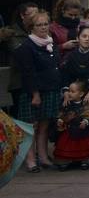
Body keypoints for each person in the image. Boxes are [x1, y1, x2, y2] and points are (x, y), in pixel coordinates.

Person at [13, 9, 59, 173]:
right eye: (39, 25)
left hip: (51, 89)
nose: (43, 27)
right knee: (31, 127)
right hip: (34, 92)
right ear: (31, 27)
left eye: (46, 24)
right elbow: (28, 72)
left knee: (45, 126)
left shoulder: (51, 42)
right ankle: (31, 160)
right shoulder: (26, 47)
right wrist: (35, 94)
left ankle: (44, 157)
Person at [53, 78, 89, 169]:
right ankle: (68, 160)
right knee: (68, 146)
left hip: (82, 130)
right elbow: (61, 113)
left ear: (81, 94)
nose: (69, 93)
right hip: (69, 129)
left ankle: (85, 160)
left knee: (84, 145)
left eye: (73, 91)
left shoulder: (85, 104)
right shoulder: (66, 103)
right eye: (69, 91)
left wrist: (86, 121)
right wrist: (60, 119)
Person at [49, 0, 84, 65]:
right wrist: (63, 46)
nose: (73, 18)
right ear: (63, 11)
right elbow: (47, 49)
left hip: (78, 63)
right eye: (70, 15)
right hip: (59, 64)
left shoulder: (81, 26)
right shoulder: (53, 27)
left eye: (76, 15)